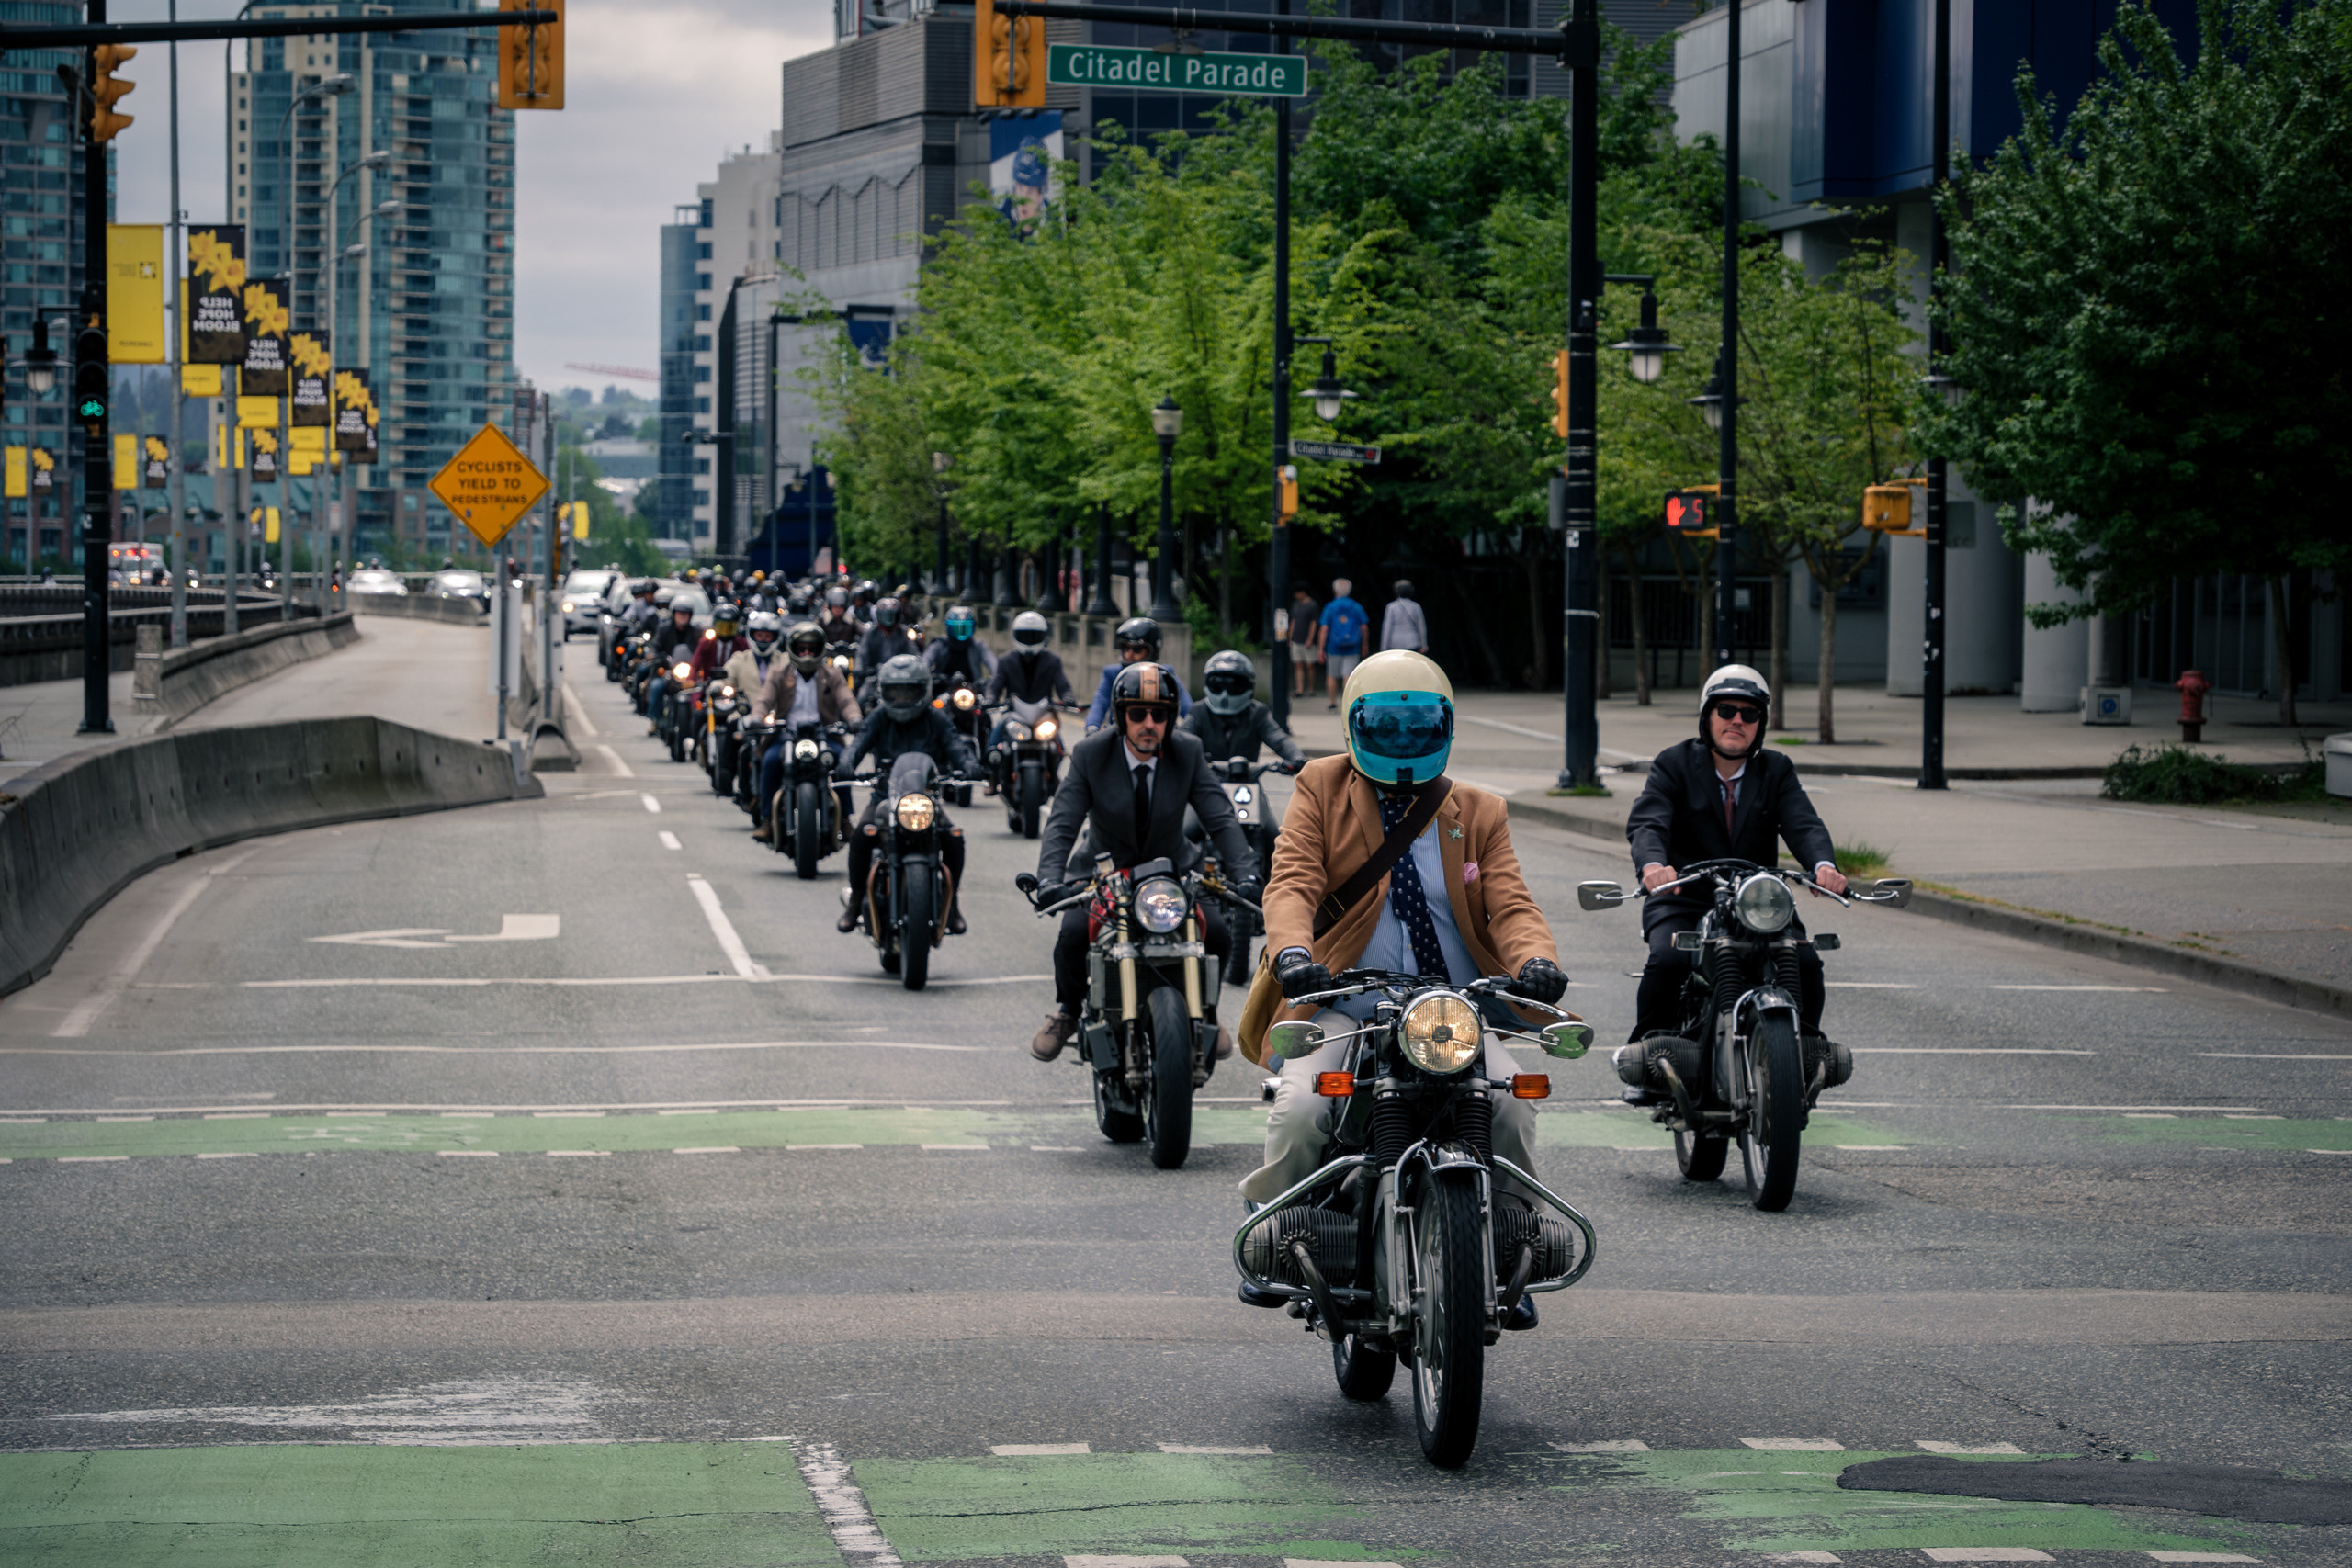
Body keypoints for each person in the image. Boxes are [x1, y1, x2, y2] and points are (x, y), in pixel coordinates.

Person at [1239, 649, 1569, 1323]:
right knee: (1302, 1105)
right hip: (1346, 1003)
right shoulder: (1319, 787)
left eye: (1418, 729)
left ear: (1444, 726)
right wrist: (1294, 952)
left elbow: (1511, 906)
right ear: (1353, 724)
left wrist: (1536, 960)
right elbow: (1293, 881)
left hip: (1453, 1011)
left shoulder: (1479, 810)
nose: (1403, 741)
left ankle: (1512, 1249)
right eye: (1386, 728)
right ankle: (1281, 1229)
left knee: (1510, 1107)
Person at [1623, 664, 1847, 1089]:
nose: (1737, 721)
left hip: (1758, 900)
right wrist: (1653, 866)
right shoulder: (1674, 764)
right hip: (1684, 894)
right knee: (1669, 960)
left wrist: (1824, 866)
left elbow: (1803, 823)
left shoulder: (1776, 771)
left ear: (1760, 724)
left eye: (1749, 713)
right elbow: (1649, 821)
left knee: (1805, 963)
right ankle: (1651, 1055)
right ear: (1707, 716)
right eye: (1726, 710)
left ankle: (1803, 1052)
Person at [1030, 661, 1255, 1063]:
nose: (1149, 723)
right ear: (1120, 717)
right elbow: (1063, 822)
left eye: (1160, 714)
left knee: (1218, 933)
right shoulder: (1090, 754)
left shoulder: (1187, 751)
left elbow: (1219, 816)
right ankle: (1067, 1011)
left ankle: (1206, 1010)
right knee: (1071, 937)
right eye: (1137, 714)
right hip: (1104, 874)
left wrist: (1246, 872)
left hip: (1172, 871)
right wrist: (1049, 878)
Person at [837, 654, 970, 935]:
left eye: (909, 691)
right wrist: (847, 763)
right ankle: (856, 900)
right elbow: (858, 743)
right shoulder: (878, 717)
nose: (901, 699)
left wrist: (969, 764)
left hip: (925, 800)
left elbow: (955, 745)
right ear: (884, 692)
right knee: (862, 836)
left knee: (954, 838)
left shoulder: (936, 718)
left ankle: (953, 902)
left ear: (923, 690)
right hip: (885, 797)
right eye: (895, 692)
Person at [750, 621, 862, 841]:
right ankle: (768, 821)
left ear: (821, 649)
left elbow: (847, 700)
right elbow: (764, 700)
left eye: (812, 648)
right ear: (793, 649)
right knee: (770, 761)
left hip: (824, 735)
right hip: (787, 735)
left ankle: (845, 819)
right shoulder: (779, 673)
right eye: (802, 648)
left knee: (842, 763)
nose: (807, 653)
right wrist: (756, 718)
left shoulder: (832, 674)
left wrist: (855, 718)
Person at [1184, 649, 1306, 772]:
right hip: (1205, 782)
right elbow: (1182, 738)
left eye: (1234, 686)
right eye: (1218, 686)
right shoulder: (1198, 712)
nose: (1225, 694)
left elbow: (1279, 741)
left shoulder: (1257, 713)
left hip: (1247, 783)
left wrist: (1297, 758)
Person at [1083, 616, 1192, 730]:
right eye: (1125, 648)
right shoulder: (1112, 673)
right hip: (1122, 734)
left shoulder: (1165, 674)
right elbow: (1099, 703)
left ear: (1152, 650)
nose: (1129, 654)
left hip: (1160, 734)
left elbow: (1186, 706)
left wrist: (1192, 727)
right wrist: (1092, 726)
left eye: (1137, 649)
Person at [642, 597, 699, 736]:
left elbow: (702, 650)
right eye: (679, 613)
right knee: (656, 686)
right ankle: (655, 720)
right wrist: (652, 653)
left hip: (690, 673)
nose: (682, 616)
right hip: (668, 671)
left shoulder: (696, 632)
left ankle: (697, 723)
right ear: (673, 614)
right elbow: (654, 645)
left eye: (685, 614)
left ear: (690, 616)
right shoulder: (664, 630)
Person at [1316, 578, 1368, 710]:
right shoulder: (1356, 606)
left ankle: (1332, 702)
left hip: (1334, 647)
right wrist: (1364, 645)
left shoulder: (1330, 607)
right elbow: (1364, 627)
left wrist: (1321, 648)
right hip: (1353, 647)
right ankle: (1347, 703)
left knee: (1332, 675)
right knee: (1348, 676)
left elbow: (1324, 628)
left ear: (1335, 590)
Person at [923, 603, 996, 687]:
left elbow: (993, 664)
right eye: (956, 628)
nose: (961, 634)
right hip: (942, 690)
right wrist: (924, 673)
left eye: (965, 628)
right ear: (948, 628)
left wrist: (996, 676)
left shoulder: (978, 646)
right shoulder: (939, 644)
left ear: (973, 628)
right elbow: (925, 662)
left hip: (972, 692)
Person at [1379, 578, 1429, 655]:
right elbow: (1421, 626)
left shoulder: (1391, 607)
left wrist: (1383, 648)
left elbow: (1387, 628)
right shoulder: (1416, 606)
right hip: (1412, 642)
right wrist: (1424, 645)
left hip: (1395, 643)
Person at [1287, 584, 1320, 699]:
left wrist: (1310, 639)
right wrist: (1290, 637)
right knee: (1298, 664)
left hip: (1308, 640)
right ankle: (1299, 689)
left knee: (1310, 664)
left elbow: (1314, 622)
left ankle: (1311, 688)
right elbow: (1293, 621)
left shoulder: (1313, 605)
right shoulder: (1296, 605)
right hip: (1296, 638)